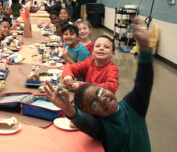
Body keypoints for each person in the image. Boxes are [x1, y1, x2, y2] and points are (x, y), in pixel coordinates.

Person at [44, 18, 153, 152]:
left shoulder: (134, 106)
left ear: (113, 53)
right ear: (90, 113)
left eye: (100, 92)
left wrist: (144, 47)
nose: (101, 100)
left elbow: (144, 80)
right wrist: (67, 107)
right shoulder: (100, 125)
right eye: (94, 104)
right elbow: (84, 123)